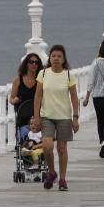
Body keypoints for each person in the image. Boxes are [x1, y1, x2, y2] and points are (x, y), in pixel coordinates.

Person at [32, 45, 80, 191]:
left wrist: (75, 118)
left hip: (64, 117)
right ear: (49, 58)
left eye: (59, 56)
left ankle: (63, 179)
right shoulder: (43, 73)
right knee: (47, 146)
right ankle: (52, 171)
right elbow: (38, 95)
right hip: (47, 116)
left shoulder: (68, 75)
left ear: (63, 58)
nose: (56, 59)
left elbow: (74, 98)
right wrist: (36, 117)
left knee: (62, 148)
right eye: (53, 56)